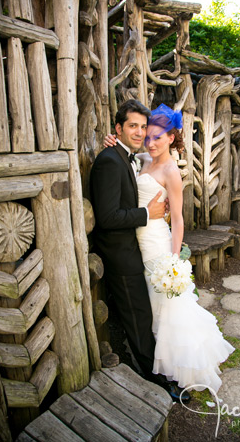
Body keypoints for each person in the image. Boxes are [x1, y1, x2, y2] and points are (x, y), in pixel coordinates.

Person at [103, 103, 234, 392]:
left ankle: (180, 370)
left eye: (157, 137)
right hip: (135, 242)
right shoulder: (141, 159)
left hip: (157, 245)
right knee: (152, 308)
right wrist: (110, 141)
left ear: (171, 138)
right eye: (147, 136)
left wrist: (174, 261)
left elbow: (178, 220)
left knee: (170, 309)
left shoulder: (171, 170)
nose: (150, 141)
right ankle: (159, 363)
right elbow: (122, 155)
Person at [90, 99, 190, 402]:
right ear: (118, 128)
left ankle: (162, 368)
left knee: (149, 314)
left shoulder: (132, 158)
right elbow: (106, 217)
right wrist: (148, 214)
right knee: (139, 319)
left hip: (142, 248)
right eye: (132, 125)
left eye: (143, 127)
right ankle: (157, 380)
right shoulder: (110, 160)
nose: (139, 132)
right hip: (122, 254)